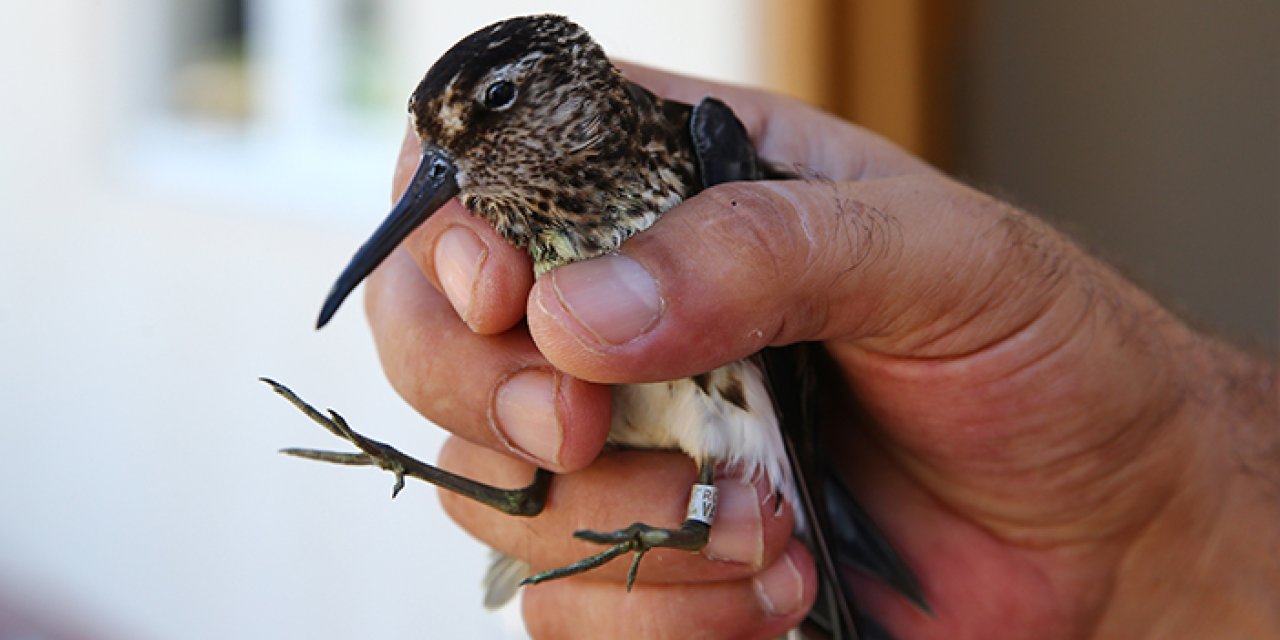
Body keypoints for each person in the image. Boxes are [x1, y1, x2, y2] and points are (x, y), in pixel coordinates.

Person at [360, 64, 1278, 638]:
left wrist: (1170, 521)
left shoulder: (694, 141)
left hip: (766, 440)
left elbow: (783, 380)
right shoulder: (490, 207)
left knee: (686, 523)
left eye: (496, 105)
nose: (451, 166)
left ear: (561, 84)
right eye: (443, 148)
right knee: (570, 477)